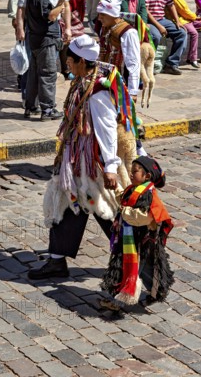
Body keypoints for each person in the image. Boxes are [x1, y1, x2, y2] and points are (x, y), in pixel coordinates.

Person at [28, 34, 138, 280]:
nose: (66, 63)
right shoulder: (84, 79)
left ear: (81, 62)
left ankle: (133, 258)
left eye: (69, 60)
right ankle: (57, 259)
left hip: (92, 163)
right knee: (66, 202)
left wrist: (110, 166)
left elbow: (106, 128)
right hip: (75, 158)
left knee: (108, 210)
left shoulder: (97, 91)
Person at [99, 156, 174, 311]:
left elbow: (142, 217)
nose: (131, 174)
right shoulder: (133, 189)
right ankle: (156, 292)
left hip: (142, 242)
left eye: (135, 172)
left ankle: (118, 302)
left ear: (147, 176)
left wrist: (124, 211)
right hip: (131, 238)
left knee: (132, 269)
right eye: (131, 171)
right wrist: (117, 189)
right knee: (144, 269)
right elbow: (126, 199)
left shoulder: (148, 195)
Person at [15, 0, 71, 117]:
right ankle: (47, 109)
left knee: (34, 74)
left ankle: (31, 106)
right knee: (48, 74)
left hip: (35, 39)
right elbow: (51, 16)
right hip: (45, 41)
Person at [96, 0, 141, 100]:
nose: (99, 18)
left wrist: (133, 91)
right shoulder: (105, 27)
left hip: (120, 83)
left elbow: (133, 61)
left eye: (103, 14)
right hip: (104, 80)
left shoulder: (128, 32)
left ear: (112, 14)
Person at [143, 0, 188, 75]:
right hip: (150, 21)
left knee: (182, 33)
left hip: (161, 19)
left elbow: (170, 4)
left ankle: (171, 64)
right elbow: (146, 11)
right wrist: (159, 26)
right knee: (156, 36)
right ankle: (148, 64)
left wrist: (177, 21)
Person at [169, 0, 201, 68]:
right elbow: (185, 12)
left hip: (186, 19)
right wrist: (195, 17)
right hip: (182, 21)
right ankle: (193, 58)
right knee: (194, 33)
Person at [58, 0, 86, 80]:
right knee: (63, 43)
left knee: (73, 41)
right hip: (57, 13)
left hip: (71, 15)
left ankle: (73, 67)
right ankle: (65, 69)